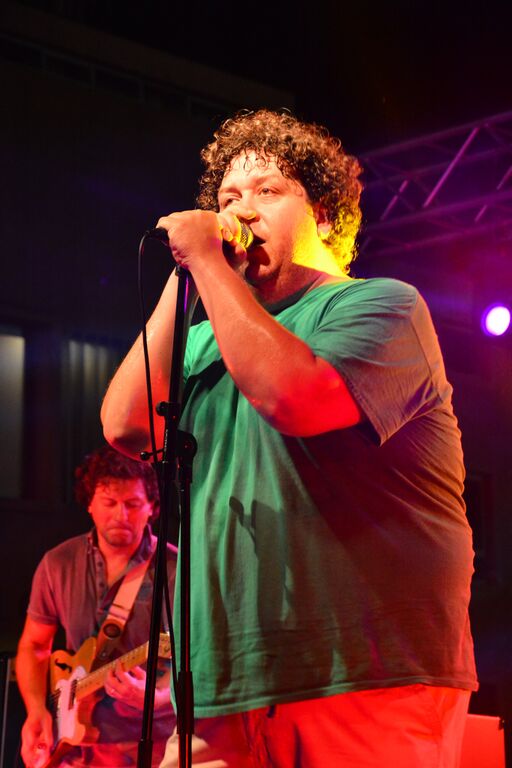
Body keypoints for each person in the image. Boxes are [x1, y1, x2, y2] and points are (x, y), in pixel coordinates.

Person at [101, 110, 478, 767]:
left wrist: (207, 264)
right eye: (227, 198)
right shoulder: (203, 338)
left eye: (267, 190)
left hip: (364, 677)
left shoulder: (380, 306)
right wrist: (184, 278)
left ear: (325, 217)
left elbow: (293, 397)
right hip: (222, 688)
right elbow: (127, 426)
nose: (240, 211)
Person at [17, 445, 177, 768]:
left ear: (152, 507)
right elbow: (34, 646)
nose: (121, 515)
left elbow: (198, 658)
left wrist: (157, 698)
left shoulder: (177, 569)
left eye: (132, 504)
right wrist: (36, 710)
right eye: (109, 502)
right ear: (90, 503)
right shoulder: (58, 563)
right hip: (71, 748)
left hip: (152, 747)